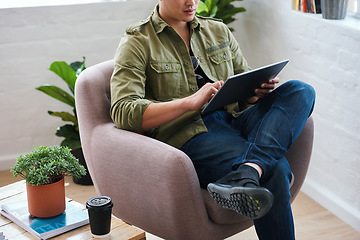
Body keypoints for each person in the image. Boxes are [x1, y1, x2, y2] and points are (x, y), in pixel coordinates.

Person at [110, 0, 315, 239]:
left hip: (233, 120)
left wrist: (254, 94)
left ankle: (248, 169)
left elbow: (244, 83)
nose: (192, 2)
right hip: (190, 135)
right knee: (276, 169)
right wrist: (190, 102)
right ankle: (252, 169)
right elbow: (123, 111)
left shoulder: (217, 30)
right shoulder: (138, 40)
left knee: (301, 91)